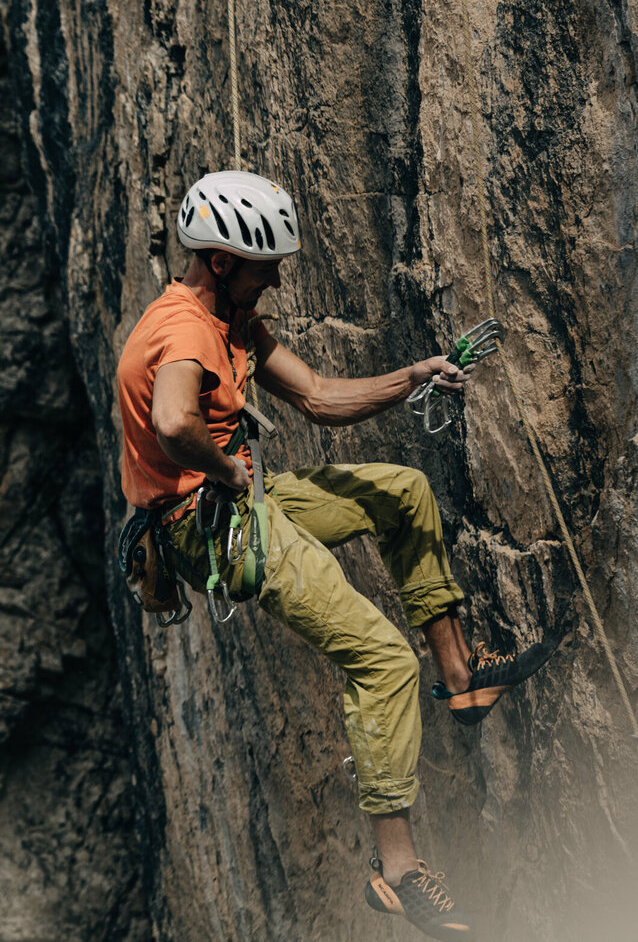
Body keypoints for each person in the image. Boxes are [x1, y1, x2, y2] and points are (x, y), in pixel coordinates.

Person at [117, 170, 555, 941]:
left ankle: (461, 678)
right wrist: (227, 469)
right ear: (222, 262)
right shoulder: (186, 331)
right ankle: (398, 874)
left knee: (403, 490)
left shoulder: (231, 321)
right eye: (266, 265)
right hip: (211, 522)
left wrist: (413, 374)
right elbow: (175, 419)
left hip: (239, 499)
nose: (278, 276)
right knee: (382, 661)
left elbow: (318, 396)